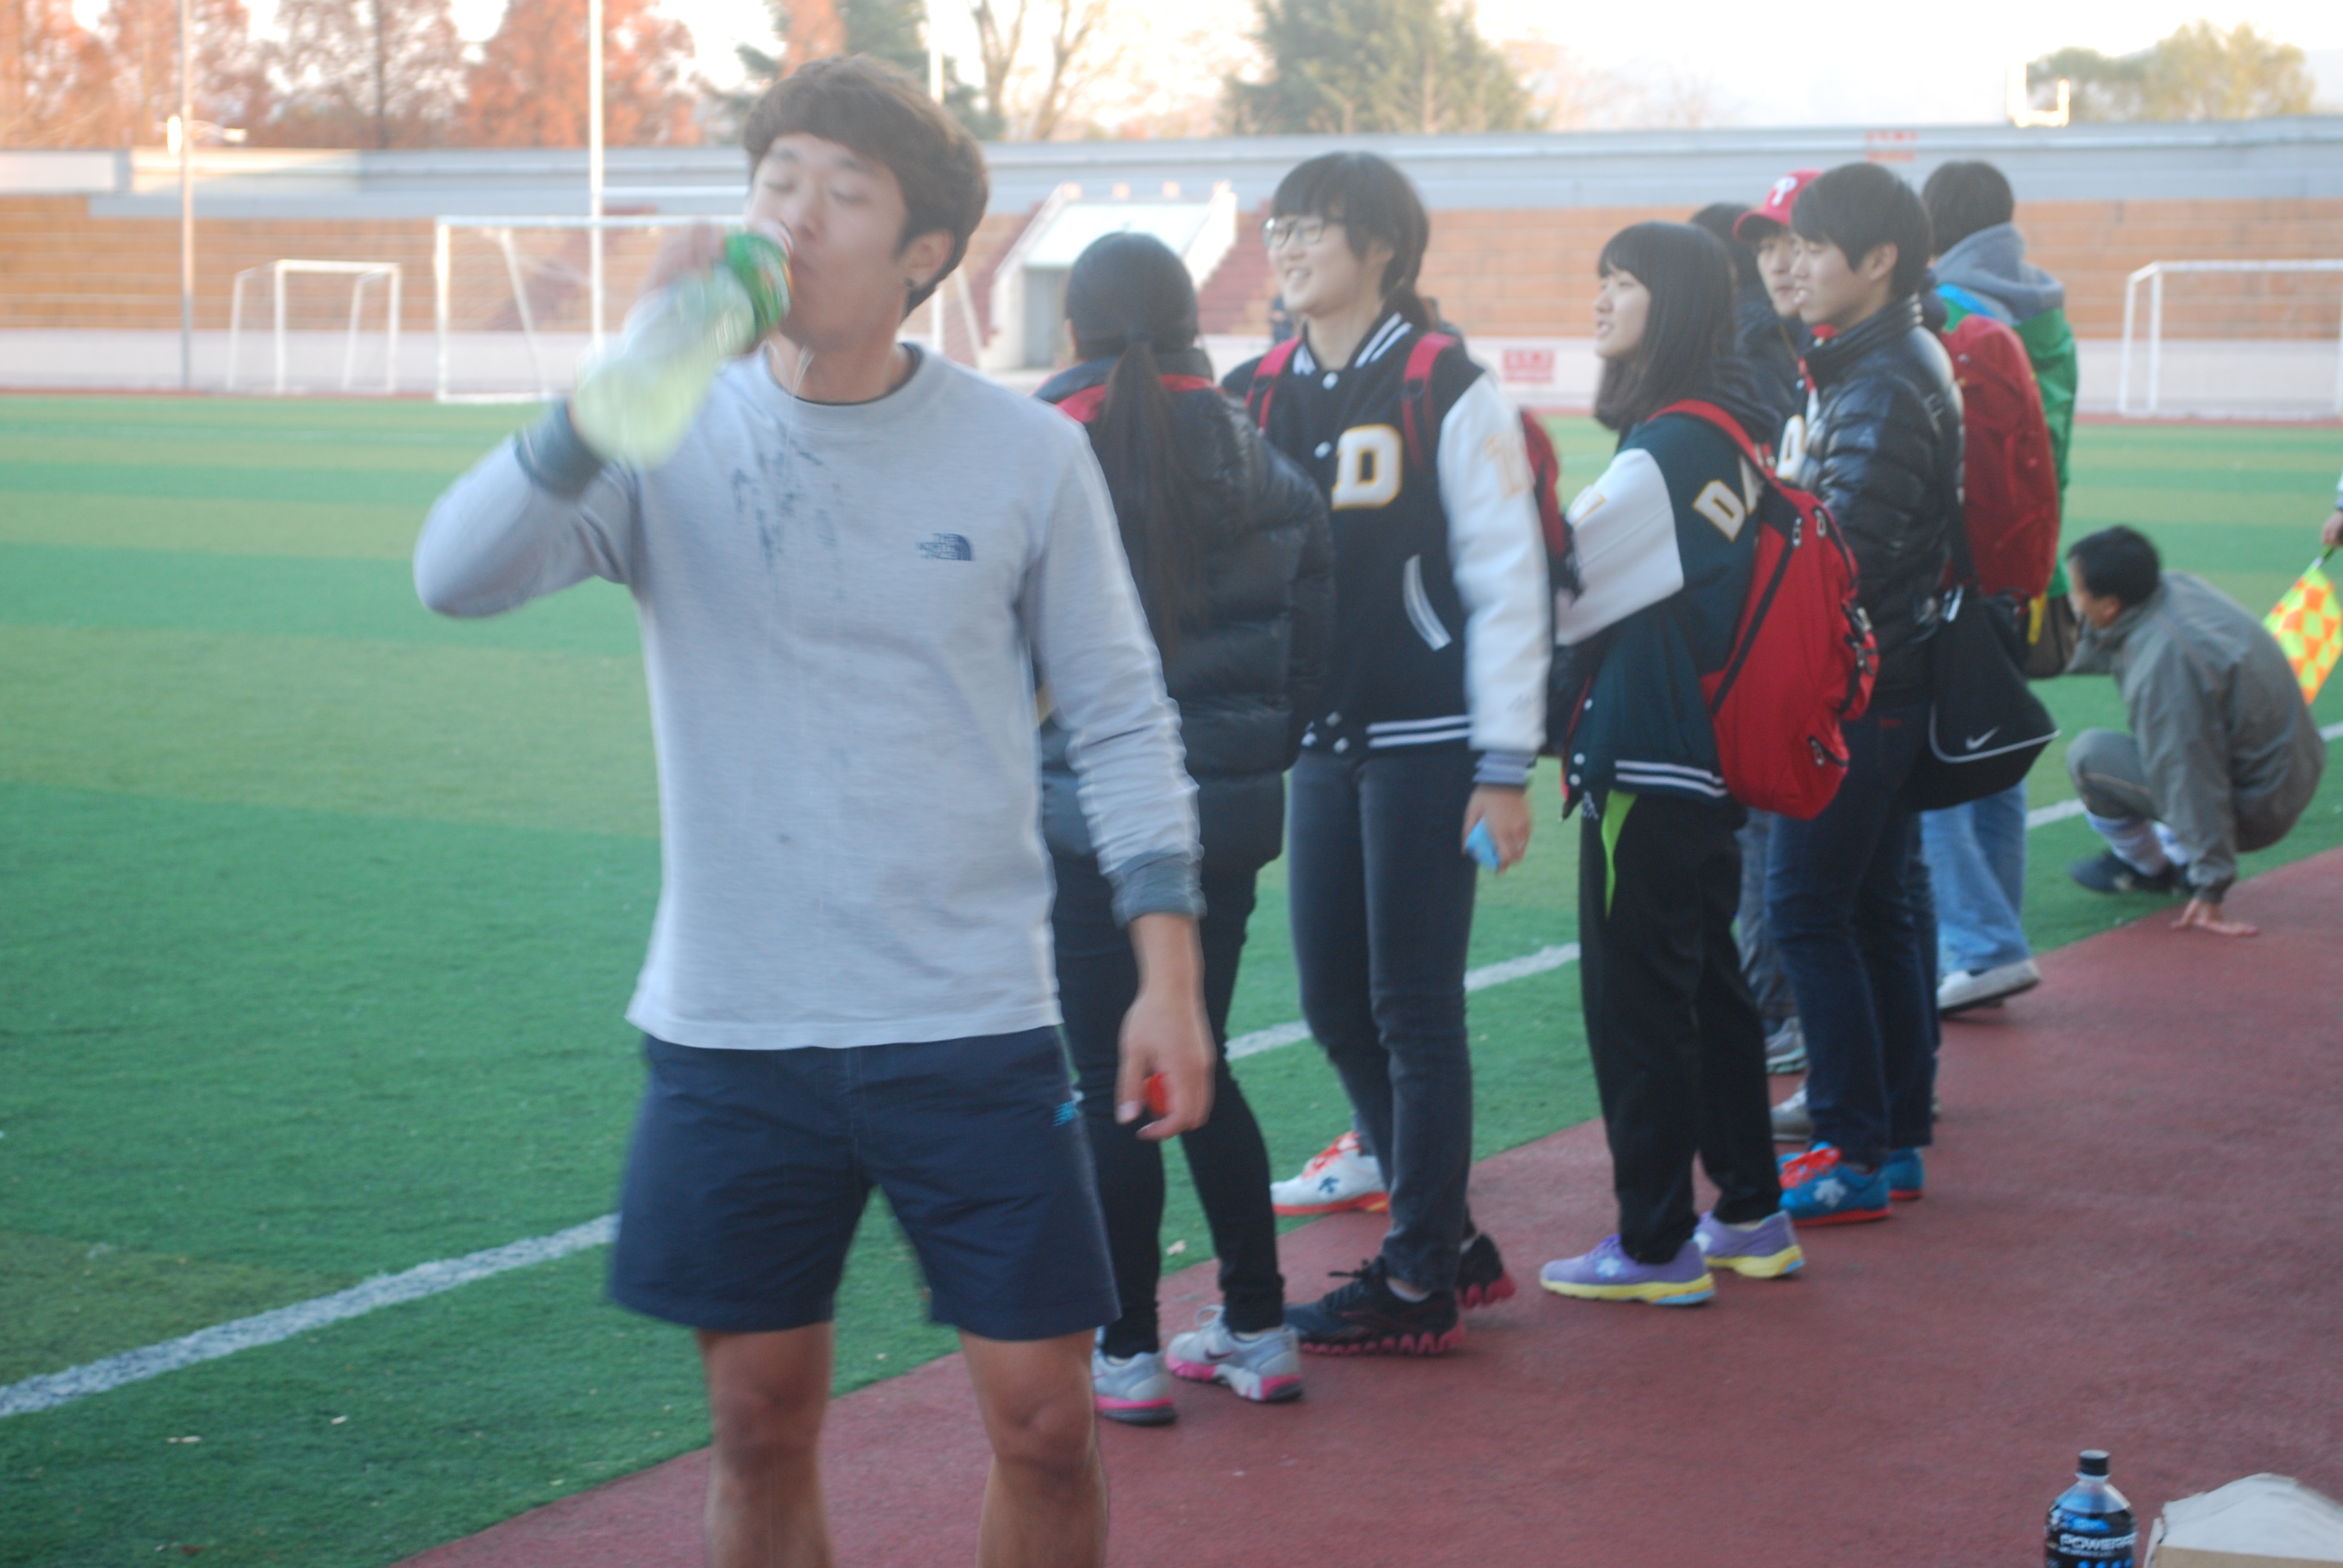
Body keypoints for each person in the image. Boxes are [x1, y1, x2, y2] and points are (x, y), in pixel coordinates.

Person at [415, 57, 1216, 1568]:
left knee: (1047, 1424)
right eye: (776, 179)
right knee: (758, 1416)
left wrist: (1165, 976)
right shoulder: (664, 433)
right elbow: (454, 574)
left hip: (967, 1021)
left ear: (925, 254)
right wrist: (621, 378)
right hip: (735, 1025)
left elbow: (1120, 715)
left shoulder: (1026, 451)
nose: (794, 215)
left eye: (843, 192)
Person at [1227, 151, 1551, 1354]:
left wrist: (1504, 765)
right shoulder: (1254, 391)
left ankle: (1418, 1276)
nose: (1290, 246)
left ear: (1381, 248)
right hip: (1319, 740)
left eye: (1315, 226)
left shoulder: (1442, 382)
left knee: (1413, 1007)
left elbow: (1506, 578)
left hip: (1430, 741)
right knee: (1332, 998)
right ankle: (1443, 1234)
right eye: (1280, 226)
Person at [1034, 232, 1335, 1423]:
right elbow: (1308, 663)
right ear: (1192, 325)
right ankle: (1258, 1326)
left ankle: (1126, 1347)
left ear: (1072, 330)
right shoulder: (1267, 465)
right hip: (1226, 816)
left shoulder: (1044, 452)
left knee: (1108, 1072)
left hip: (1085, 819)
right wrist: (1244, 761)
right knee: (1193, 1048)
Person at [1537, 221, 1801, 1307]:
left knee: (1636, 1002)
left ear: (1677, 303)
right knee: (1712, 991)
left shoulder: (1668, 445)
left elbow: (1562, 592)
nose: (1602, 299)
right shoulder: (1729, 430)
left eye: (1625, 282)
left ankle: (1653, 1243)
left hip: (1646, 758)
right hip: (1704, 754)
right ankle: (1750, 1210)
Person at [1767, 162, 1962, 1223]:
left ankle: (1847, 1146)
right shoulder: (1876, 359)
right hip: (1888, 676)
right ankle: (1892, 1138)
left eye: (1813, 246)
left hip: (1859, 685)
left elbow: (1845, 552)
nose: (1793, 266)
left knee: (1807, 911)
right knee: (1875, 909)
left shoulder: (1881, 378)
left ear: (1879, 258)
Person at [1917, 159, 2080, 1015]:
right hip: (2029, 569)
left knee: (1933, 757)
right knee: (1993, 751)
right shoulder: (2045, 314)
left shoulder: (1949, 314)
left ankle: (1983, 945)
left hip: (1961, 571)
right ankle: (1991, 942)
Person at [2063, 526, 2326, 936]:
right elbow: (2108, 645)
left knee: (2090, 756)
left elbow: (2187, 776)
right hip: (2295, 770)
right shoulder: (2176, 588)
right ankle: (2178, 854)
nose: (2074, 602)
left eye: (2079, 593)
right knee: (2170, 744)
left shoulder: (2165, 665)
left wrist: (2210, 885)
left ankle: (2153, 869)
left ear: (2111, 605)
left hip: (2259, 809)